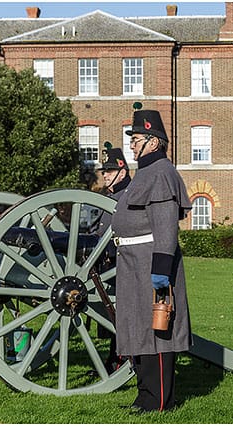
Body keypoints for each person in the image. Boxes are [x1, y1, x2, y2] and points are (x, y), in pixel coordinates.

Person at [111, 107, 192, 412]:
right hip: (133, 261)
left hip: (150, 262)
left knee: (157, 332)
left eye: (137, 139)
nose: (131, 144)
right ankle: (145, 394)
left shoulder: (161, 173)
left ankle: (160, 401)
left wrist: (161, 270)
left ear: (154, 142)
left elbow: (164, 226)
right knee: (138, 328)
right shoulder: (146, 172)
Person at [90, 143, 131, 373]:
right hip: (107, 266)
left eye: (109, 171)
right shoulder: (110, 196)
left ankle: (121, 360)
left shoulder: (127, 196)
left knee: (120, 316)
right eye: (103, 171)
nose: (104, 175)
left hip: (121, 264)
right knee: (112, 316)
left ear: (122, 172)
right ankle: (113, 360)